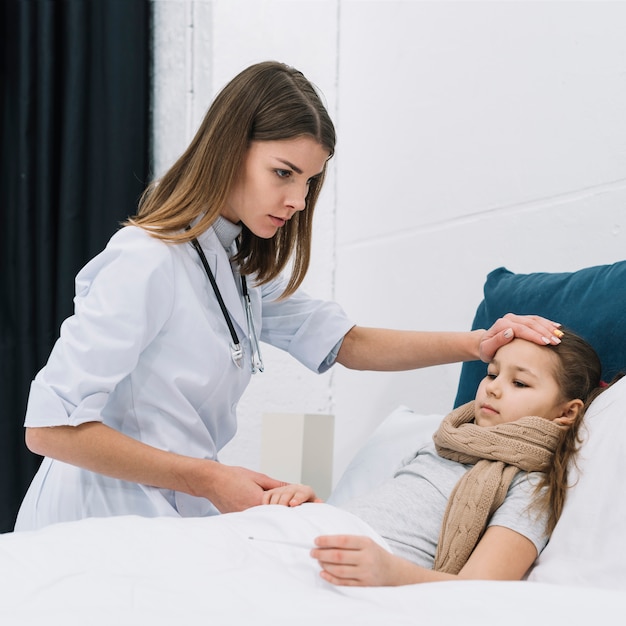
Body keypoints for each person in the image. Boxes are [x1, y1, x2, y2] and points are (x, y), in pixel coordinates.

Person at [15, 60, 562, 531]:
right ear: (228, 150)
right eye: (283, 173)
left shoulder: (239, 268)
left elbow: (347, 343)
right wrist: (210, 478)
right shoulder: (146, 258)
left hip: (173, 512)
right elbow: (48, 428)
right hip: (95, 516)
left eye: (309, 182)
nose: (297, 200)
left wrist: (477, 344)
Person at [264, 331, 612, 586]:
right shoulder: (443, 442)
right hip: (313, 534)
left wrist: (391, 574)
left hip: (346, 570)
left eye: (519, 383)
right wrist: (313, 507)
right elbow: (384, 515)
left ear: (567, 413)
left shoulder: (532, 486)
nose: (492, 387)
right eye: (492, 373)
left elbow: (481, 588)